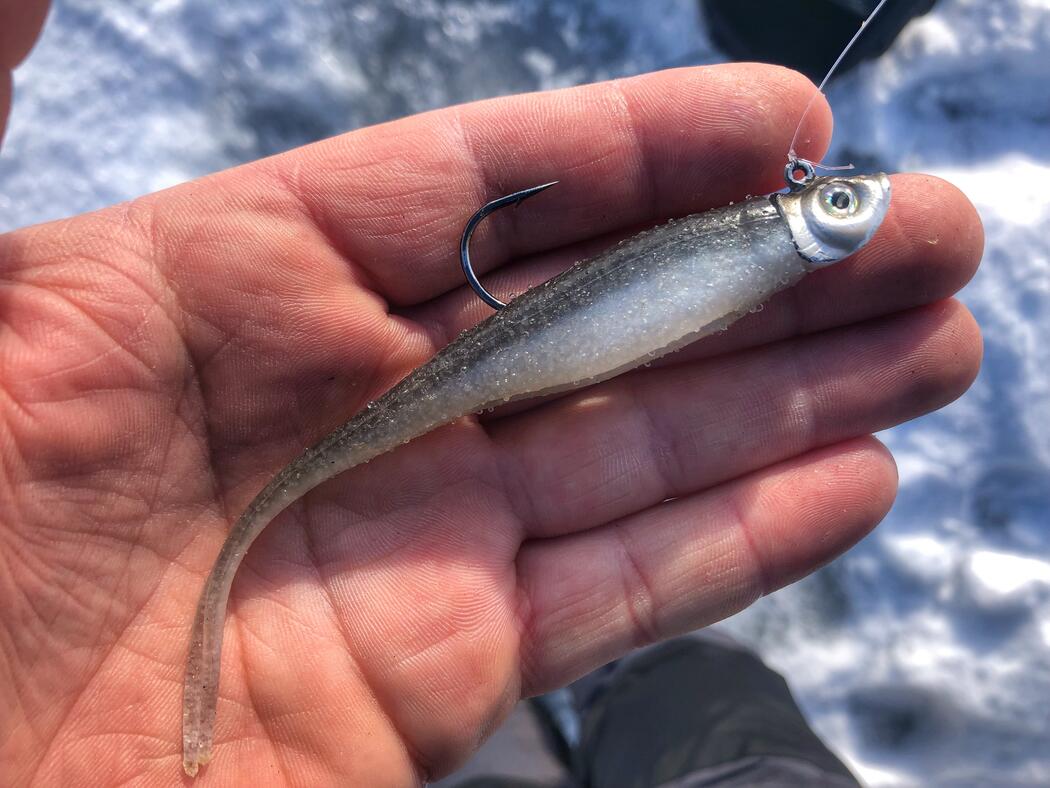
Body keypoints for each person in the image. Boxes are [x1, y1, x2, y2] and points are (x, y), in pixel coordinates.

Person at [0, 4, 983, 785]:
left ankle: (563, 732)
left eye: (844, 199)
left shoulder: (763, 253)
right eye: (841, 197)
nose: (863, 202)